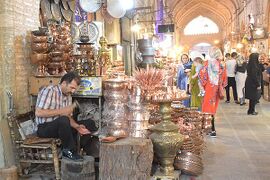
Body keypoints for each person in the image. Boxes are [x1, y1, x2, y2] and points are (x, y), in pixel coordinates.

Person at [35, 72, 98, 161]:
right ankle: (69, 151)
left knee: (89, 123)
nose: (73, 91)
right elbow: (38, 112)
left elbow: (68, 117)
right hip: (44, 128)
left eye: (74, 89)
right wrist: (62, 111)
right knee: (63, 120)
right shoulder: (49, 91)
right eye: (71, 88)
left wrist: (77, 126)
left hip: (62, 128)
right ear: (64, 83)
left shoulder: (68, 95)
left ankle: (75, 149)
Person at [199, 47, 227, 137]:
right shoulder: (222, 65)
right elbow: (224, 79)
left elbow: (202, 76)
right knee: (213, 109)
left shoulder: (207, 64)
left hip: (208, 88)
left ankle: (209, 128)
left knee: (207, 108)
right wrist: (220, 85)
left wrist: (202, 85)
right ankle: (212, 129)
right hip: (216, 89)